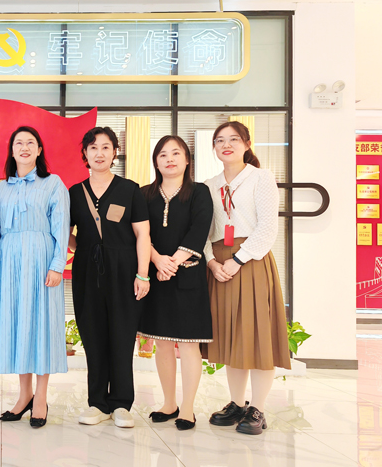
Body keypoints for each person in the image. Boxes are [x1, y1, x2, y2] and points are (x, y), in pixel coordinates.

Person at [203, 121, 291, 435]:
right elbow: (204, 230)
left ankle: (258, 409)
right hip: (219, 263)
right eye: (220, 140)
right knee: (231, 336)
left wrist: (238, 260)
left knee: (258, 336)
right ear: (214, 147)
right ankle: (237, 404)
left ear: (247, 143)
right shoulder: (209, 185)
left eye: (234, 139)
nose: (226, 145)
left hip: (251, 262)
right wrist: (211, 262)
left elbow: (267, 228)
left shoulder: (261, 178)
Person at [68, 126, 151, 429]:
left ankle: (121, 404)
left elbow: (143, 235)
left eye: (105, 147)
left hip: (125, 270)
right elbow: (66, 234)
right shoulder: (74, 192)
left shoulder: (130, 190)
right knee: (92, 335)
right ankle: (97, 403)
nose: (99, 153)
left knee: (122, 335)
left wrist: (143, 274)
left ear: (115, 152)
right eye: (93, 147)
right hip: (86, 271)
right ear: (85, 153)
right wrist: (85, 247)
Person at [0, 126, 70, 429]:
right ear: (12, 151)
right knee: (17, 325)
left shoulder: (53, 183)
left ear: (39, 150)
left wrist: (57, 265)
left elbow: (61, 227)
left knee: (42, 325)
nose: (24, 148)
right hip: (11, 261)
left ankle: (41, 397)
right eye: (19, 143)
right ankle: (24, 394)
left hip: (41, 259)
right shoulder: (2, 188)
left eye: (30, 143)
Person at [137, 135, 214, 430]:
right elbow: (140, 234)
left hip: (188, 275)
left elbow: (199, 230)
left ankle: (189, 408)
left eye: (176, 153)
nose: (169, 159)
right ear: (155, 162)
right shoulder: (144, 195)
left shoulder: (199, 192)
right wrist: (158, 260)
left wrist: (173, 263)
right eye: (162, 155)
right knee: (163, 343)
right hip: (156, 276)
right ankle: (169, 403)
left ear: (187, 159)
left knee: (190, 344)